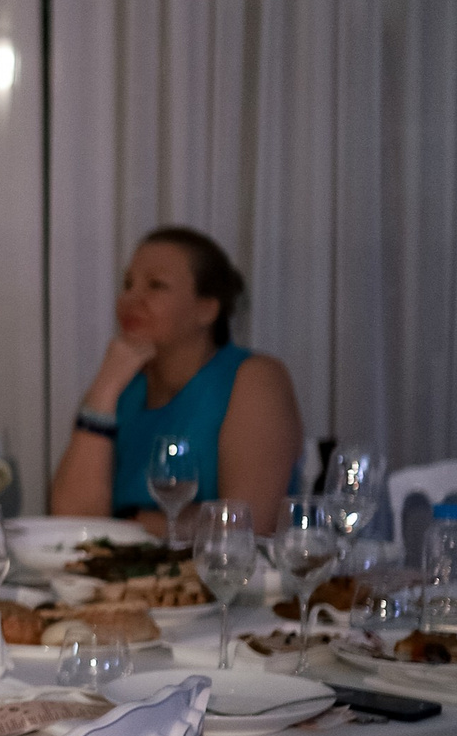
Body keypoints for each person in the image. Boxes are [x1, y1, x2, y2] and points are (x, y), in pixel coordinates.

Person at [48, 226, 302, 538]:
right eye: (128, 285)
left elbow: (246, 523)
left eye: (155, 285)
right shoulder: (120, 388)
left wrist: (129, 525)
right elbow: (71, 523)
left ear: (206, 309)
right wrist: (105, 386)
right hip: (128, 567)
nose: (130, 299)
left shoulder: (255, 378)